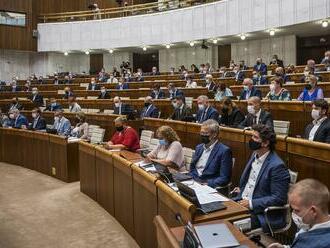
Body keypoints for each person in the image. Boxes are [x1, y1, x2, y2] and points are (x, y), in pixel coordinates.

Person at [232, 124, 290, 232]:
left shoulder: (277, 166)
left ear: (265, 143)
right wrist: (243, 189)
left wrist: (250, 203)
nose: (251, 140)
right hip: (241, 202)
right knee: (215, 213)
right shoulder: (254, 155)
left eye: (255, 137)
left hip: (260, 214)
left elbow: (278, 198)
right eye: (252, 136)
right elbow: (252, 181)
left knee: (227, 224)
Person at [268, 179, 330, 248]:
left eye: (296, 210)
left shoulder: (324, 244)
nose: (293, 213)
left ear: (313, 211)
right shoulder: (308, 223)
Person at [189, 119, 232, 188]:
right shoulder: (199, 147)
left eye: (205, 133)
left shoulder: (224, 151)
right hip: (193, 182)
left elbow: (224, 178)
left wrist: (207, 184)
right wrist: (191, 179)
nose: (202, 135)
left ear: (214, 134)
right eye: (201, 133)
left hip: (208, 185)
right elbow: (192, 168)